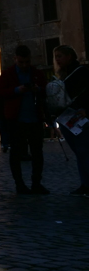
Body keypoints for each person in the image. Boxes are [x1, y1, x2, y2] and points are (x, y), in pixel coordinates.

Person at [0, 45, 48, 194]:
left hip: (35, 117)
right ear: (15, 59)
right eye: (21, 62)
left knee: (37, 153)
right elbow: (0, 93)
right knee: (16, 153)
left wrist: (38, 89)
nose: (24, 65)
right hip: (16, 119)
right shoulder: (8, 74)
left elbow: (45, 90)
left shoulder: (36, 73)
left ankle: (36, 183)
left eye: (27, 62)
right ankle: (20, 184)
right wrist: (17, 90)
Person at [54, 45, 89, 195]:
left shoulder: (82, 72)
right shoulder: (63, 75)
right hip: (68, 118)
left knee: (84, 152)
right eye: (56, 57)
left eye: (60, 56)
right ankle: (85, 183)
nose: (57, 59)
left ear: (69, 56)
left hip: (81, 117)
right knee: (80, 154)